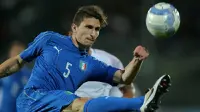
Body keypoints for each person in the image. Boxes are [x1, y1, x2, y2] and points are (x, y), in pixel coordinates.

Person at [0, 5, 171, 112]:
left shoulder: (91, 64)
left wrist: (136, 60)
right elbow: (17, 61)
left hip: (56, 106)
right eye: (88, 27)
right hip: (32, 100)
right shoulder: (50, 39)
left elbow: (124, 77)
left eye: (97, 29)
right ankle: (142, 102)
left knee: (77, 104)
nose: (93, 33)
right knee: (79, 103)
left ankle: (143, 103)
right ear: (74, 27)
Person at [0, 41, 31, 112]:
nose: (15, 55)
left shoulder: (29, 75)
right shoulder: (2, 71)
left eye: (19, 52)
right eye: (14, 52)